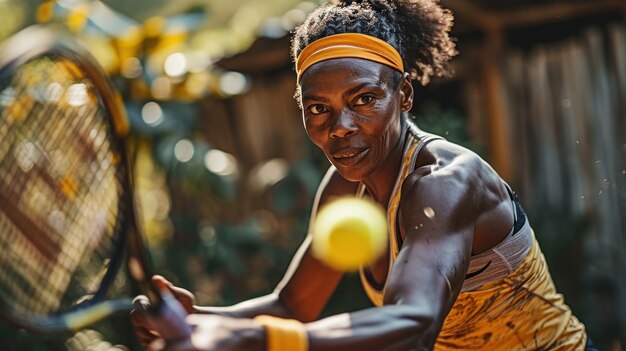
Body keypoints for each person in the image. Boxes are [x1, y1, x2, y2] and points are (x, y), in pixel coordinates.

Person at [132, 0, 594, 350]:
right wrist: (193, 319)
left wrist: (253, 341)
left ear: (405, 95)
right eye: (319, 109)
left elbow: (414, 321)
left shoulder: (444, 183)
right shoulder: (343, 189)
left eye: (364, 99)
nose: (340, 127)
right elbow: (293, 307)